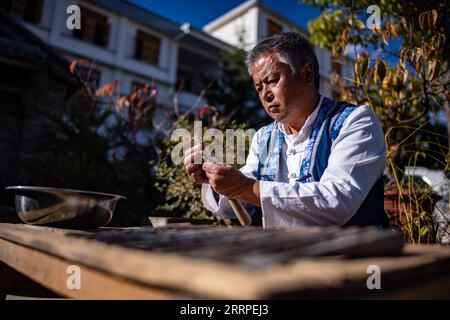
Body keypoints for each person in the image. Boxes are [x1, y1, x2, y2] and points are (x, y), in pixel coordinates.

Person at [183, 32, 390, 229]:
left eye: (272, 81)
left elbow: (337, 199)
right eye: (259, 87)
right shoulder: (264, 137)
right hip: (287, 258)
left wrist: (246, 187)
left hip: (356, 257)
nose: (265, 94)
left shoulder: (355, 121)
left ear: (307, 74)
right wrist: (215, 179)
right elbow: (244, 199)